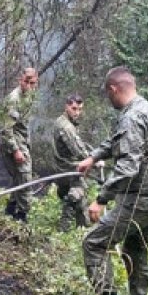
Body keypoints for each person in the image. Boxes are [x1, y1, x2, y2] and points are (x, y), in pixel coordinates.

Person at [77, 66, 148, 295]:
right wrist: (94, 157)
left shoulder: (131, 117)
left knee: (94, 244)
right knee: (135, 248)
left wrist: (101, 199)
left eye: (108, 94)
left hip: (141, 199)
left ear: (114, 89)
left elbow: (128, 167)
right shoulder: (146, 108)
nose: (108, 99)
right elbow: (118, 140)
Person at [52, 93, 98, 231]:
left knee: (81, 201)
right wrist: (95, 160)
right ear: (67, 107)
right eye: (74, 108)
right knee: (77, 193)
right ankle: (64, 227)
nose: (77, 112)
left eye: (79, 109)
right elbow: (77, 150)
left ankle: (82, 229)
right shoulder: (65, 127)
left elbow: (80, 146)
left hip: (65, 166)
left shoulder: (66, 122)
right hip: (67, 168)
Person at [0, 67, 39, 222]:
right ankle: (22, 215)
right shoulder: (13, 99)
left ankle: (11, 208)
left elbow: (24, 125)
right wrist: (16, 150)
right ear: (20, 80)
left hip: (22, 141)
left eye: (33, 83)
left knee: (19, 177)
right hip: (12, 143)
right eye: (26, 82)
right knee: (24, 176)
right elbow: (6, 128)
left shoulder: (30, 96)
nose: (29, 86)